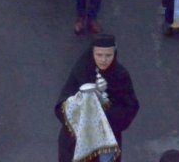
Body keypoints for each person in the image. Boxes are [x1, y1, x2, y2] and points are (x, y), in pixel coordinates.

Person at [55, 34, 140, 162]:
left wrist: (104, 112)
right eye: (99, 55)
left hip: (105, 143)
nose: (103, 60)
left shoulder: (120, 75)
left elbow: (130, 107)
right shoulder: (81, 71)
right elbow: (62, 105)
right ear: (92, 53)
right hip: (75, 141)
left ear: (114, 54)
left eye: (108, 55)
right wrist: (85, 101)